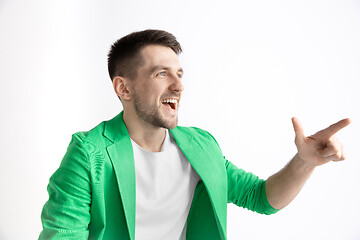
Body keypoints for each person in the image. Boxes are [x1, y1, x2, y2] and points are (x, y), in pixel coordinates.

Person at [39, 29, 351, 240]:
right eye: (161, 73)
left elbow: (262, 197)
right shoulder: (88, 152)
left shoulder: (200, 145)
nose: (178, 85)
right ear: (124, 88)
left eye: (179, 74)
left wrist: (305, 161)